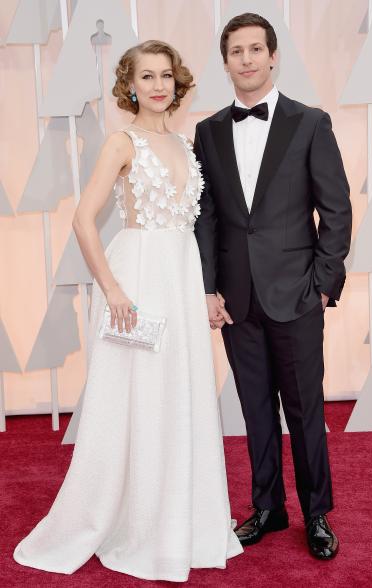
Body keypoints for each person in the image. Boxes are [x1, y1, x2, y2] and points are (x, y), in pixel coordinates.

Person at [13, 40, 242, 581]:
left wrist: (208, 289)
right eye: (146, 76)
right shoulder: (122, 142)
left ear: (176, 82)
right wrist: (112, 289)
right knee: (135, 397)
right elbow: (83, 220)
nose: (158, 85)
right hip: (137, 280)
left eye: (166, 75)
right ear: (130, 85)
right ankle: (134, 523)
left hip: (181, 278)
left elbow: (197, 227)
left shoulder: (187, 146)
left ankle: (181, 520)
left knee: (179, 395)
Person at [194, 13, 352, 560]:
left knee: (307, 410)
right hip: (237, 299)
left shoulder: (310, 122)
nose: (247, 59)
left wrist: (323, 286)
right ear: (226, 61)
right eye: (236, 51)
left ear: (273, 55)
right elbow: (208, 216)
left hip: (298, 294)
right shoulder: (208, 131)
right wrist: (210, 288)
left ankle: (316, 514)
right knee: (255, 408)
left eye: (256, 49)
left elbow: (336, 209)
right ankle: (267, 507)